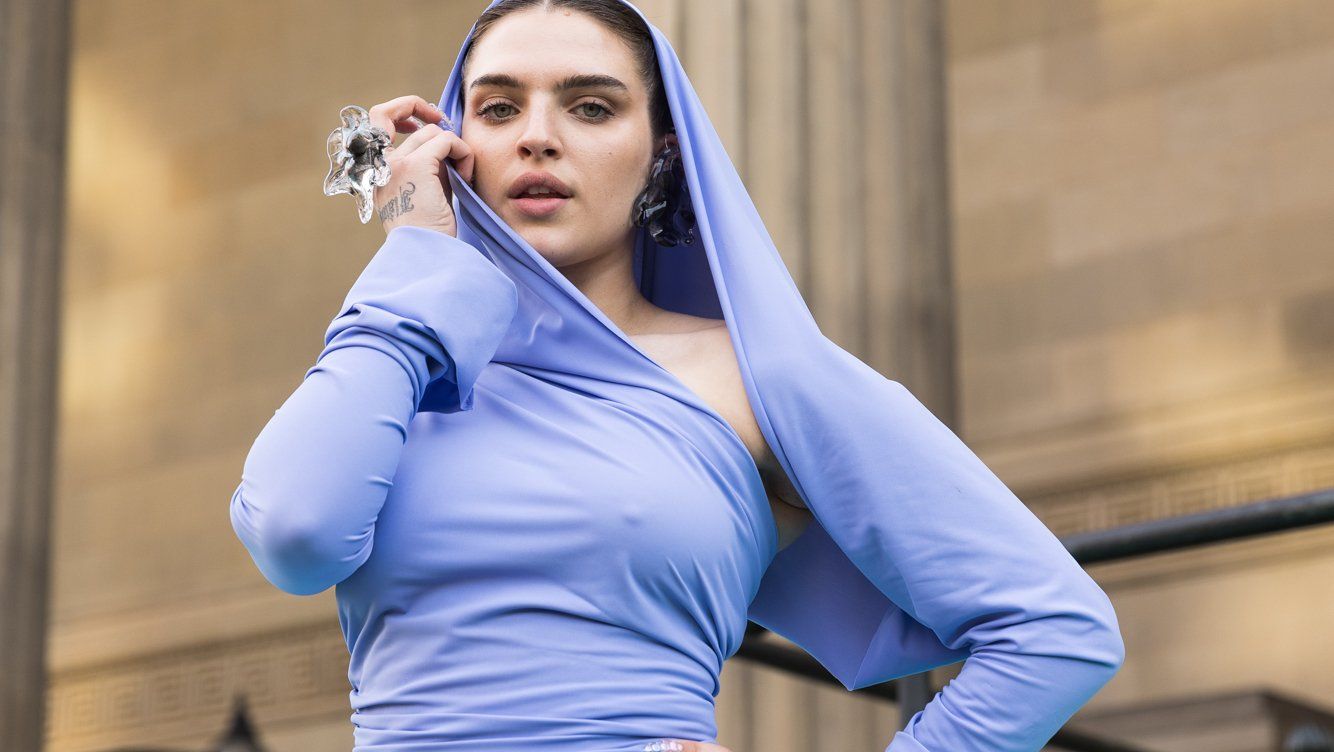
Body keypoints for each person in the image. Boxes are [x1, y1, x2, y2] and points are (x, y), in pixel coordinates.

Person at [229, 1, 1126, 751]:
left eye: (589, 107)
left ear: (662, 149)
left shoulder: (752, 377)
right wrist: (415, 247)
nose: (537, 138)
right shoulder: (397, 361)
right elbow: (298, 531)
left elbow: (1054, 631)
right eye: (499, 109)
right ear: (453, 147)